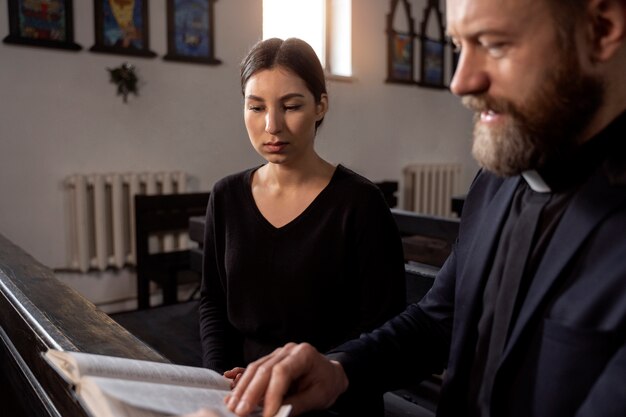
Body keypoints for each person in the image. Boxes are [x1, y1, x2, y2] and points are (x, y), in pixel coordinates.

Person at [223, 0, 626, 416]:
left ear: (600, 27)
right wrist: (337, 368)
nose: (460, 82)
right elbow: (439, 322)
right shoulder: (495, 181)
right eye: (458, 46)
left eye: (493, 43)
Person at [198, 38, 406, 413]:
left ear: (320, 106)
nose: (272, 125)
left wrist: (315, 376)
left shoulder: (359, 203)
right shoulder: (226, 195)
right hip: (245, 392)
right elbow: (213, 300)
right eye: (256, 107)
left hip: (332, 395)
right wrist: (218, 377)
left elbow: (381, 325)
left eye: (291, 106)